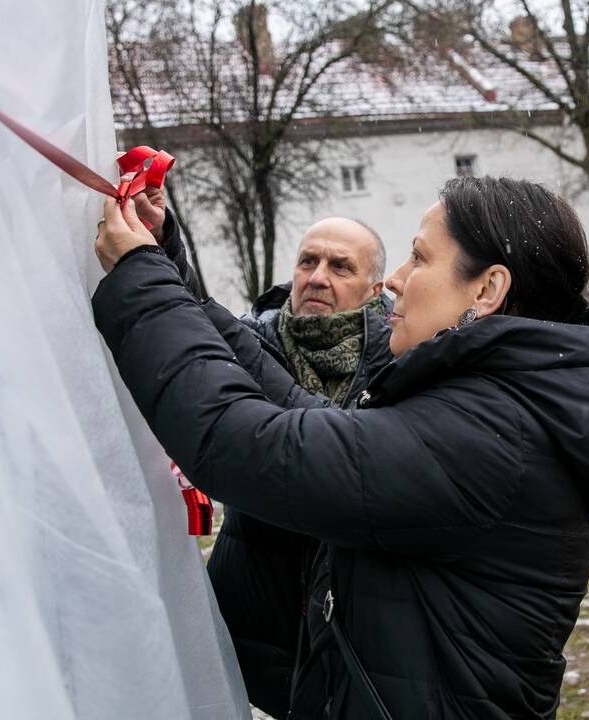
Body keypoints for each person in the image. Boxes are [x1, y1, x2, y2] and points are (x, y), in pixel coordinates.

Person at [93, 177, 589, 719]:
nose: (394, 278)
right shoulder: (497, 408)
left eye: (420, 258)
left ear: (487, 289)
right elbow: (298, 408)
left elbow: (243, 441)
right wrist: (168, 269)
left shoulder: (487, 435)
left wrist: (141, 281)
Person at [131, 189, 394, 716]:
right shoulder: (252, 342)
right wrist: (158, 243)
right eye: (308, 261)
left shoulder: (397, 362)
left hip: (358, 637)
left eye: (341, 266)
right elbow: (186, 324)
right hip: (246, 622)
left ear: (375, 289)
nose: (318, 277)